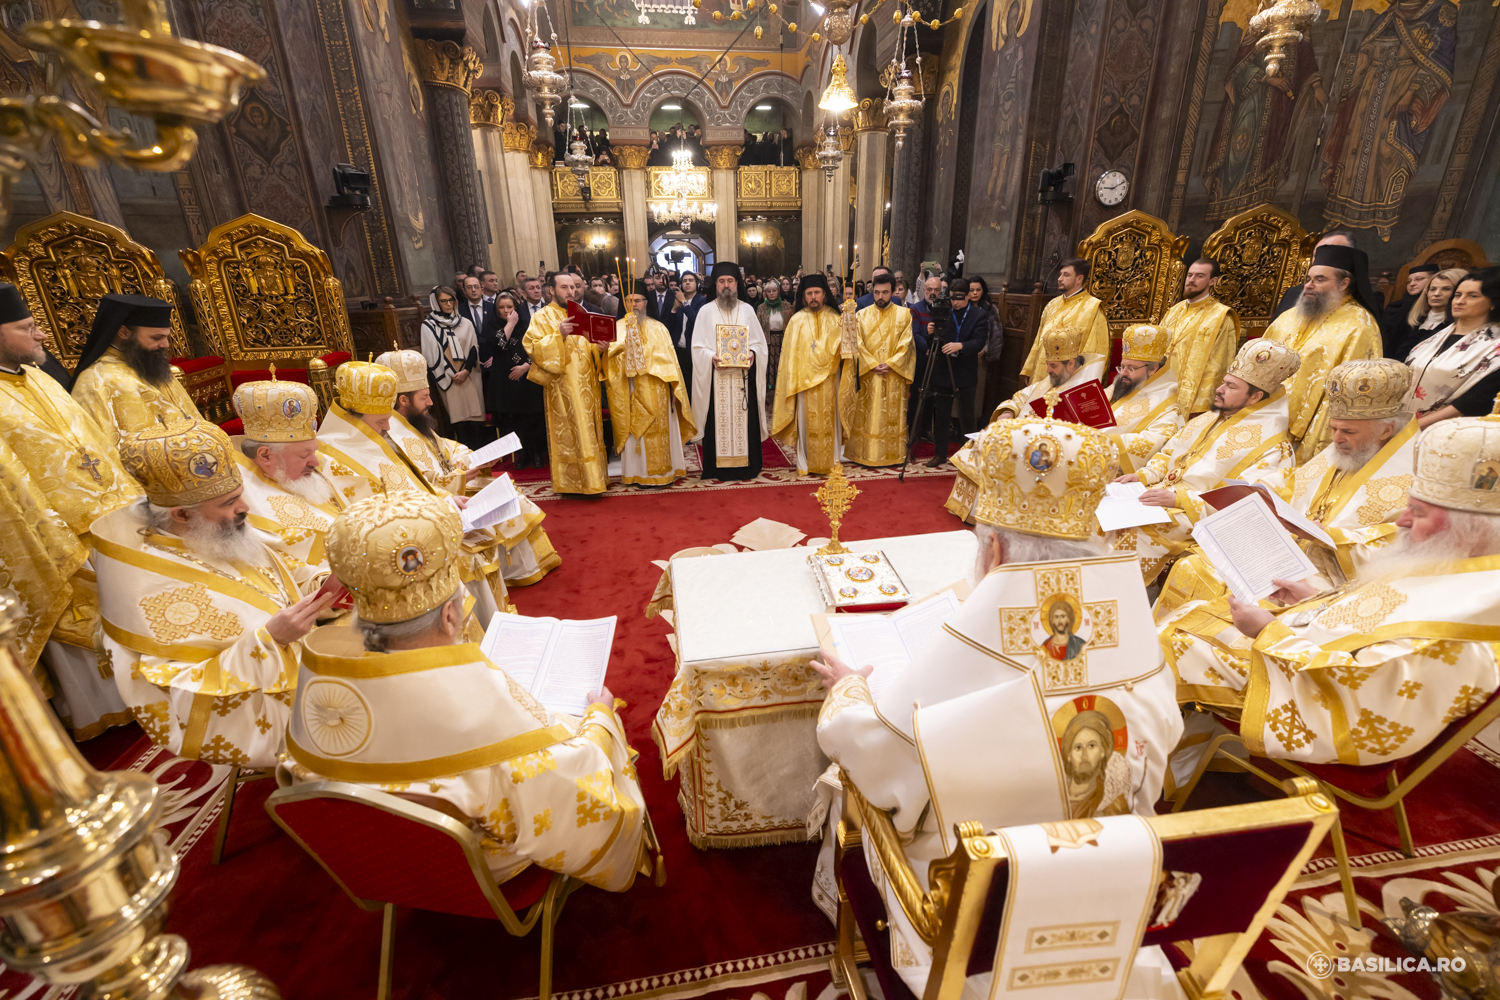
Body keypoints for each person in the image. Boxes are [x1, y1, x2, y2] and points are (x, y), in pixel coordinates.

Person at [808, 416, 1182, 994]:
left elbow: (879, 761)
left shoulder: (979, 642)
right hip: (1114, 882)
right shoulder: (1128, 632)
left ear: (996, 549)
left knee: (844, 787)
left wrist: (848, 690)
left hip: (983, 911)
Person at [283, 491, 657, 889]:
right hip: (472, 869)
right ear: (450, 616)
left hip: (375, 863)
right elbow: (577, 796)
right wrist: (600, 721)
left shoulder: (321, 690)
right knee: (590, 725)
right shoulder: (483, 726)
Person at [1163, 414, 1500, 772]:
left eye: (1416, 513)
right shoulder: (1464, 566)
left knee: (1171, 642)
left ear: (1469, 528)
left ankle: (1168, 771)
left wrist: (1268, 632)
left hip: (1317, 699)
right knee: (1192, 615)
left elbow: (1369, 692)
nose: (1400, 521)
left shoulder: (1468, 616)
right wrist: (1312, 600)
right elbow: (1375, 611)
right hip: (1307, 651)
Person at [97, 418, 334, 767]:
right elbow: (179, 691)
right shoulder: (152, 587)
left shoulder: (214, 537)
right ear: (181, 514)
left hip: (304, 668)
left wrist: (326, 582)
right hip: (256, 709)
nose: (245, 508)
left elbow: (284, 579)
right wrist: (268, 641)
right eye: (229, 502)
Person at [1156, 360, 1418, 674]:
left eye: (1347, 431)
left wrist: (1330, 536)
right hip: (1284, 550)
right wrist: (1257, 493)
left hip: (1332, 579)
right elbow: (1292, 482)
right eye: (1333, 428)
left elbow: (1402, 544)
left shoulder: (1412, 477)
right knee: (1194, 564)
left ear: (1386, 430)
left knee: (1190, 629)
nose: (1335, 439)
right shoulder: (1343, 449)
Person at [0, 281, 139, 739]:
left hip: (115, 521)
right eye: (28, 327)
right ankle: (106, 723)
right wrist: (58, 549)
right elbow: (11, 491)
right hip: (60, 542)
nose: (42, 336)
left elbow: (94, 445)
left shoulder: (40, 378)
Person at [1111, 339, 1302, 583]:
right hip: (1159, 496)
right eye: (1223, 382)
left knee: (1126, 535)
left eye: (1231, 386)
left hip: (1195, 515)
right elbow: (1167, 453)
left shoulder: (1273, 446)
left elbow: (1247, 503)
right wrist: (1142, 475)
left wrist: (1178, 498)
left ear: (1255, 396)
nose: (1219, 389)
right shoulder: (1209, 418)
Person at [378, 349, 558, 588]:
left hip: (456, 484)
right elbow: (417, 482)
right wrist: (460, 475)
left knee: (508, 490)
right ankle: (515, 570)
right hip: (442, 498)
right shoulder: (392, 435)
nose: (430, 403)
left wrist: (474, 459)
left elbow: (446, 448)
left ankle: (524, 566)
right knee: (507, 499)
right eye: (424, 398)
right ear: (403, 400)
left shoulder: (413, 422)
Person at [1262, 243, 1382, 460]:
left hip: (1309, 427)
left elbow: (1351, 390)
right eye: (1308, 279)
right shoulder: (1289, 316)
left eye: (1320, 280)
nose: (1309, 285)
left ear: (1344, 283)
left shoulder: (1359, 324)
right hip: (1264, 415)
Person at [231, 377, 346, 575]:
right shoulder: (240, 497)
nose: (315, 463)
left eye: (313, 452)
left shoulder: (302, 476)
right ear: (265, 455)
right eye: (304, 455)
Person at [70, 293, 201, 446]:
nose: (166, 344)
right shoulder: (96, 381)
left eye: (167, 337)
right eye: (156, 338)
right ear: (124, 332)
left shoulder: (150, 364)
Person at [524, 271, 608, 494]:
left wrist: (598, 349)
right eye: (565, 287)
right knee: (571, 433)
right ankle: (572, 484)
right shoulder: (541, 317)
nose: (571, 291)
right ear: (551, 290)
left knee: (590, 430)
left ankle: (595, 480)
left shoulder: (582, 314)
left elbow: (586, 347)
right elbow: (532, 347)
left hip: (588, 386)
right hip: (562, 388)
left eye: (573, 287)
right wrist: (558, 335)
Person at [606, 279, 695, 486]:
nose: (634, 305)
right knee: (634, 432)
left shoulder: (659, 328)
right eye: (629, 301)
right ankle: (637, 473)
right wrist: (610, 352)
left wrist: (675, 388)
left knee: (659, 431)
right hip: (629, 389)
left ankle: (663, 473)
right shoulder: (615, 328)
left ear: (646, 302)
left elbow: (672, 362)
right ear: (624, 304)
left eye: (638, 300)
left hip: (658, 390)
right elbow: (607, 363)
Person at [690, 262, 768, 480]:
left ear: (737, 284)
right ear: (715, 285)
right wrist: (710, 357)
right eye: (721, 281)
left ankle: (748, 467)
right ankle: (717, 468)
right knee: (717, 423)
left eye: (730, 281)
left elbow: (760, 344)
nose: (726, 285)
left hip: (743, 380)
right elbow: (696, 347)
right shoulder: (705, 311)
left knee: (746, 423)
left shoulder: (748, 310)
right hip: (717, 380)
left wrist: (753, 353)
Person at [771, 272, 847, 475]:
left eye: (817, 293)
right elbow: (789, 358)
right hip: (804, 383)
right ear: (804, 296)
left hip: (830, 381)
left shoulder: (836, 318)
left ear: (824, 294)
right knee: (806, 425)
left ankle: (832, 462)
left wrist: (850, 326)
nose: (813, 297)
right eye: (809, 293)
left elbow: (847, 351)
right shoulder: (796, 320)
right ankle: (804, 463)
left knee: (832, 422)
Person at [1407, 268, 1500, 428]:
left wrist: (1412, 428)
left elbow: (1474, 401)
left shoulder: (1494, 348)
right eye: (1458, 295)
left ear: (1492, 303)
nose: (1460, 301)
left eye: (1472, 296)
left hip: (1445, 430)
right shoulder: (1435, 336)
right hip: (1405, 420)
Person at [914, 277, 989, 466]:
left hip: (965, 372)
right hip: (943, 371)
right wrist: (930, 334)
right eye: (952, 298)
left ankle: (966, 456)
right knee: (942, 416)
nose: (955, 302)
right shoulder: (943, 312)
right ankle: (940, 454)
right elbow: (933, 345)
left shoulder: (978, 315)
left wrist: (960, 345)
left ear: (968, 296)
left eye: (959, 298)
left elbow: (979, 342)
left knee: (966, 418)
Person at [844, 272, 915, 467]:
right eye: (876, 292)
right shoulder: (861, 315)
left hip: (894, 375)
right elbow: (855, 342)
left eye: (885, 292)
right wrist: (872, 364)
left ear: (893, 292)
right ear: (872, 292)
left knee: (891, 416)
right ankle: (863, 453)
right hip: (869, 375)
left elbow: (907, 344)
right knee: (868, 415)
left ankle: (893, 454)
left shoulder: (904, 315)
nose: (880, 297)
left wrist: (892, 364)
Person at [1162, 258, 1241, 417]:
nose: (1191, 280)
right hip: (1161, 391)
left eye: (1199, 276)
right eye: (1189, 275)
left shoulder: (1221, 317)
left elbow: (1219, 365)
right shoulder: (1174, 310)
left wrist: (1202, 406)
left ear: (1213, 281)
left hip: (1193, 401)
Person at [1019, 258, 1109, 385]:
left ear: (1079, 279)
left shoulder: (1093, 308)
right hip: (1042, 372)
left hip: (1069, 379)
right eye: (1060, 274)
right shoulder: (1052, 304)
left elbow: (1096, 350)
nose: (1059, 278)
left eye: (1066, 275)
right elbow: (1039, 339)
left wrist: (1083, 382)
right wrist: (1029, 369)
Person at [421, 285, 488, 449]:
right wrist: (453, 374)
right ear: (435, 303)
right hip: (448, 377)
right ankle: (465, 458)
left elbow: (474, 348)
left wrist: (465, 371)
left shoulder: (465, 322)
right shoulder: (429, 326)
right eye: (443, 301)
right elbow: (431, 355)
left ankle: (480, 456)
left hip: (470, 374)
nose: (449, 304)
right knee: (459, 420)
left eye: (451, 300)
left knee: (476, 419)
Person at [490, 291, 547, 470]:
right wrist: (509, 324)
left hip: (527, 379)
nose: (506, 311)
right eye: (502, 307)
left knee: (532, 418)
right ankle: (522, 454)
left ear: (516, 307)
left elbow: (538, 349)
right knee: (514, 420)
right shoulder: (492, 325)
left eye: (510, 307)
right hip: (505, 381)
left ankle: (536, 453)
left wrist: (526, 366)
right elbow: (498, 346)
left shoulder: (527, 324)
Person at [1394, 266, 1466, 361]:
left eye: (1446, 289)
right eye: (1432, 289)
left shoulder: (1457, 326)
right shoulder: (1414, 318)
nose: (1436, 294)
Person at [1380, 263, 1438, 359]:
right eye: (1409, 281)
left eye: (1419, 279)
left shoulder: (1435, 308)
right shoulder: (1395, 307)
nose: (1412, 284)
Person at [756, 277, 793, 395]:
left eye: (774, 291)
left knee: (782, 363)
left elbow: (791, 323)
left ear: (778, 291)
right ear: (765, 293)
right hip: (768, 340)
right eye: (769, 291)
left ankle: (782, 387)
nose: (771, 294)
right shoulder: (761, 307)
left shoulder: (787, 306)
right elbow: (758, 325)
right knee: (769, 365)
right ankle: (769, 391)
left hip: (783, 338)